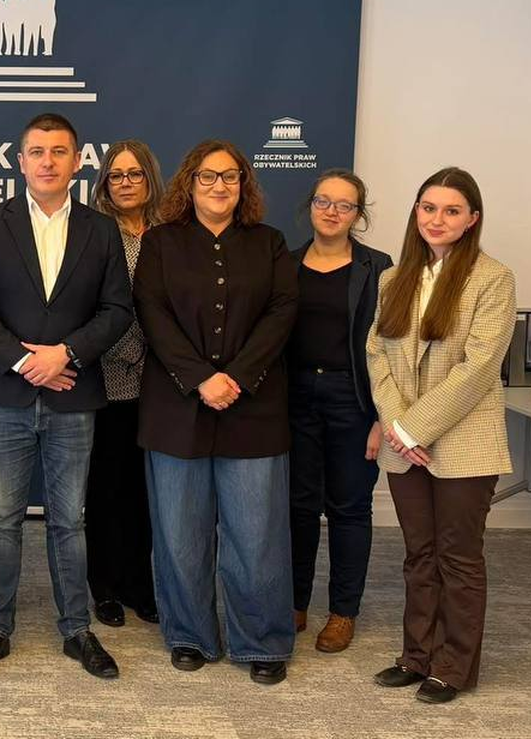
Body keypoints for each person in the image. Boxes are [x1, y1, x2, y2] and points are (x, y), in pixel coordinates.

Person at [0, 113, 132, 680]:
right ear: (20, 161)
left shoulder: (101, 230)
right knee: (3, 518)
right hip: (4, 396)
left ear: (77, 161)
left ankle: (76, 629)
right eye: (37, 151)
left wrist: (66, 355)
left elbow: (117, 310)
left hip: (73, 396)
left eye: (59, 152)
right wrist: (28, 362)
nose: (48, 161)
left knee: (69, 520)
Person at [131, 139, 297, 685]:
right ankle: (189, 635)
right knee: (180, 534)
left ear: (244, 185)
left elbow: (281, 312)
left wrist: (238, 377)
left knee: (257, 535)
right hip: (176, 407)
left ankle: (262, 641)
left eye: (230, 176)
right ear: (189, 183)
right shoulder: (160, 242)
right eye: (208, 176)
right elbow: (152, 313)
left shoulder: (269, 243)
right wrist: (201, 377)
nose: (219, 186)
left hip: (254, 409)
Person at [367, 167, 515, 705]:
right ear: (416, 212)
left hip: (463, 442)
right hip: (404, 443)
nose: (437, 219)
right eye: (429, 208)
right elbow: (376, 353)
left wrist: (412, 427)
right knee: (418, 554)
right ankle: (416, 656)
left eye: (452, 210)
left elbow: (479, 368)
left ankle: (453, 666)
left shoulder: (493, 278)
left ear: (472, 219)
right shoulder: (393, 278)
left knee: (458, 557)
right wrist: (397, 427)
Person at [286, 169, 392, 653]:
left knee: (350, 507)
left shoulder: (379, 268)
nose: (332, 211)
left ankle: (343, 612)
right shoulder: (285, 264)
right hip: (295, 399)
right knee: (298, 507)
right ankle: (294, 603)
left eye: (344, 205)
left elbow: (393, 347)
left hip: (354, 399)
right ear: (309, 205)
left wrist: (382, 416)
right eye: (323, 201)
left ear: (358, 214)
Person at [85, 140, 164, 628]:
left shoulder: (171, 232)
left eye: (135, 174)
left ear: (150, 178)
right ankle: (106, 586)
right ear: (104, 184)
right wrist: (122, 352)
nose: (126, 183)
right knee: (106, 488)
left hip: (162, 382)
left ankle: (140, 584)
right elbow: (87, 306)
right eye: (116, 175)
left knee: (146, 491)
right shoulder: (94, 232)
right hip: (107, 376)